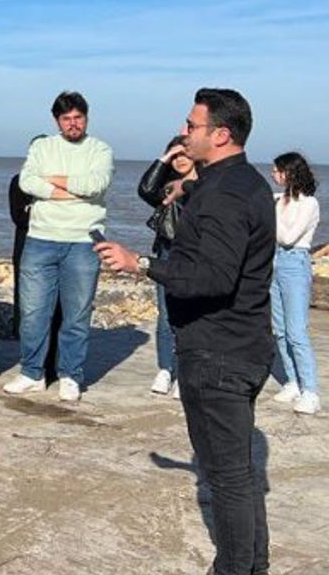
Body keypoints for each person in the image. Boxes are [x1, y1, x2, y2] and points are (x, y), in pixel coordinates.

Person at [96, 88, 274, 575]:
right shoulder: (240, 183)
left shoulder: (226, 194)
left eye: (192, 126)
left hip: (218, 351)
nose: (184, 131)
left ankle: (236, 568)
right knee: (237, 475)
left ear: (221, 134)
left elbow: (212, 277)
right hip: (241, 344)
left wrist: (140, 263)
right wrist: (188, 190)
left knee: (229, 478)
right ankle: (251, 565)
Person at [3, 91, 113, 402]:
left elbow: (96, 185)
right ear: (57, 121)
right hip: (40, 239)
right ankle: (32, 373)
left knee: (76, 315)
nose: (73, 123)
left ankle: (70, 375)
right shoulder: (42, 147)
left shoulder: (100, 149)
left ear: (86, 118)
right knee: (33, 313)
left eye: (78, 117)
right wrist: (70, 191)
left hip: (83, 241)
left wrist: (50, 181)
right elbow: (27, 182)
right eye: (67, 119)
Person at [137, 136, 197, 397]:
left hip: (195, 255)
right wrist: (165, 157)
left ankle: (184, 372)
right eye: (175, 156)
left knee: (190, 314)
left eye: (185, 154)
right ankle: (164, 369)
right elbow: (145, 189)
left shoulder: (205, 186)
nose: (180, 159)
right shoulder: (167, 187)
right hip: (166, 250)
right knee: (165, 314)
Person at [267, 152, 321, 415]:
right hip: (274, 262)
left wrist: (270, 214)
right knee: (279, 329)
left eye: (277, 170)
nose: (273, 174)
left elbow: (289, 237)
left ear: (290, 172)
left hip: (294, 263)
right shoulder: (279, 199)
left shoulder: (309, 203)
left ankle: (310, 391)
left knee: (296, 331)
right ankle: (292, 382)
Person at [8, 135, 63, 379]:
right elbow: (20, 218)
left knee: (57, 308)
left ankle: (52, 363)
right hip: (28, 248)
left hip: (59, 246)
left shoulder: (62, 182)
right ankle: (30, 364)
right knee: (30, 309)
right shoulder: (19, 181)